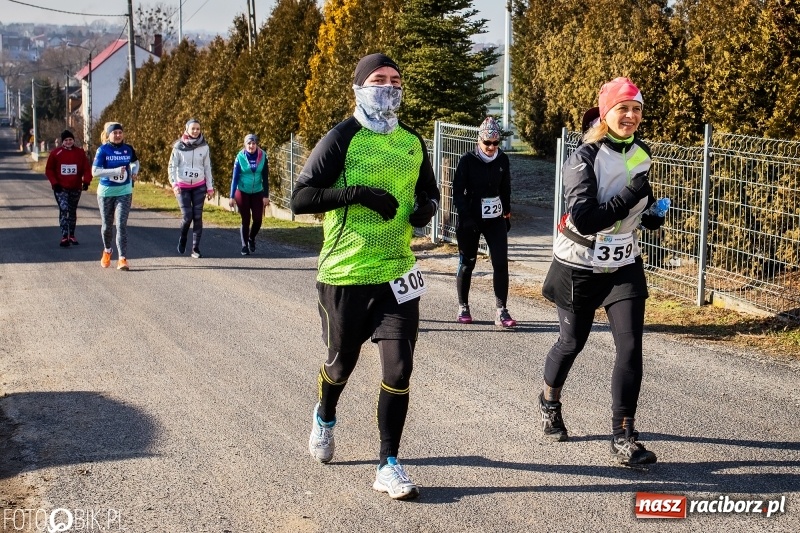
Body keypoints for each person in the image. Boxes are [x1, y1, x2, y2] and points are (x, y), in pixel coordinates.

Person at [290, 53, 440, 500]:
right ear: (359, 87)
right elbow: (300, 198)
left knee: (400, 365)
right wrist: (356, 194)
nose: (389, 86)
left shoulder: (412, 141)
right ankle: (325, 414)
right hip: (345, 273)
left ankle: (388, 462)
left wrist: (425, 208)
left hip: (396, 273)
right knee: (342, 364)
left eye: (396, 80)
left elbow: (428, 191)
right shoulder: (342, 137)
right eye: (379, 79)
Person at [538, 77, 665, 467]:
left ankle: (623, 436)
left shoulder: (641, 153)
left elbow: (633, 207)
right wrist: (630, 198)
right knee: (571, 342)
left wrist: (647, 216)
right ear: (605, 113)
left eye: (637, 109)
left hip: (623, 262)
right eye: (622, 108)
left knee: (630, 348)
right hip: (580, 263)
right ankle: (549, 401)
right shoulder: (584, 158)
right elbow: (586, 217)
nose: (630, 116)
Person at [452, 117, 516, 328]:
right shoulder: (467, 160)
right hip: (471, 218)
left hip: (494, 218)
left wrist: (506, 214)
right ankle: (463, 305)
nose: (491, 147)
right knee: (468, 262)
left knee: (500, 263)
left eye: (495, 143)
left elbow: (505, 189)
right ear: (479, 141)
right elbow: (458, 191)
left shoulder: (502, 160)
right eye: (487, 143)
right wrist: (465, 217)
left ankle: (501, 310)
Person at [92, 122, 140, 271]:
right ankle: (107, 250)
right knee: (107, 226)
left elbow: (135, 162)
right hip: (106, 192)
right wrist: (114, 171)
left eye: (120, 132)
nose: (118, 135)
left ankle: (122, 259)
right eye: (115, 133)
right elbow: (95, 172)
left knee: (121, 225)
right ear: (108, 135)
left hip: (124, 191)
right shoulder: (102, 150)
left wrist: (134, 171)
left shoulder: (128, 149)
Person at [168, 118, 215, 258]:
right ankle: (183, 237)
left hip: (199, 186)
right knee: (187, 216)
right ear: (187, 129)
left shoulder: (204, 147)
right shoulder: (178, 147)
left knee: (198, 216)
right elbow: (172, 167)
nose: (195, 131)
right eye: (193, 128)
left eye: (198, 129)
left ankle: (195, 248)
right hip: (182, 186)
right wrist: (174, 184)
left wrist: (210, 187)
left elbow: (207, 167)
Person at [45, 130, 92, 247]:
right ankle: (64, 236)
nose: (68, 142)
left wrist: (86, 181)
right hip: (61, 188)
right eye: (66, 140)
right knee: (64, 209)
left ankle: (72, 234)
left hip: (75, 187)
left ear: (73, 140)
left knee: (72, 211)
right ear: (62, 141)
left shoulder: (80, 153)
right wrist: (54, 183)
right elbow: (49, 170)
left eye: (70, 140)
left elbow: (86, 168)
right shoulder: (56, 153)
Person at [229, 134, 269, 256]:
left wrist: (266, 195)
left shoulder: (263, 156)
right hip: (242, 191)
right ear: (245, 145)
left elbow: (265, 177)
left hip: (257, 191)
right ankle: (244, 245)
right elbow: (235, 178)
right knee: (245, 219)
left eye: (253, 143)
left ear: (257, 144)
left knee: (257, 219)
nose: (251, 146)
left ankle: (251, 238)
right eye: (249, 143)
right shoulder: (240, 157)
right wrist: (231, 196)